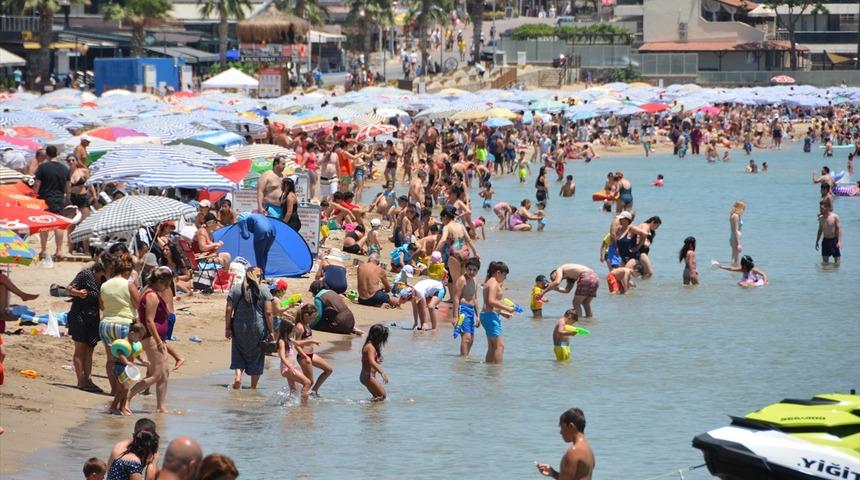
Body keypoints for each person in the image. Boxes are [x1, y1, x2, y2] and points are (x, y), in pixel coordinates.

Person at [127, 269, 174, 413]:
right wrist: (159, 341)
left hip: (153, 337)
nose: (167, 288)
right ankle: (127, 397)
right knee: (156, 375)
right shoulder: (152, 295)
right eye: (166, 284)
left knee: (164, 373)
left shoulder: (147, 291)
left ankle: (161, 406)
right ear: (159, 282)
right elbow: (149, 320)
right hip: (153, 338)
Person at [224, 267, 274, 389]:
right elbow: (268, 313)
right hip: (258, 327)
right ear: (259, 277)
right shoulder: (264, 290)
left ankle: (238, 377)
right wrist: (271, 331)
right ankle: (253, 387)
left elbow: (228, 310)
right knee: (257, 356)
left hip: (239, 326)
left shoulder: (236, 289)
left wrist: (227, 328)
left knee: (238, 352)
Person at [99, 254, 139, 396]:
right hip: (124, 325)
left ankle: (114, 390)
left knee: (111, 360)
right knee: (127, 360)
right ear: (126, 271)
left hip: (106, 324)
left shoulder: (104, 285)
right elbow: (138, 304)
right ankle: (123, 390)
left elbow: (102, 306)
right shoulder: (129, 285)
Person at [66, 260, 106, 392]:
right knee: (80, 349)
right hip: (79, 315)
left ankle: (88, 379)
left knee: (90, 349)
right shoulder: (85, 274)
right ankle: (80, 381)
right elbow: (69, 289)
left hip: (93, 317)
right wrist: (78, 293)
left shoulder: (104, 280)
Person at [536, 408, 596, 480]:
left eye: (562, 427)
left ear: (571, 426)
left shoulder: (574, 452)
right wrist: (553, 473)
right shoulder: (589, 451)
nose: (561, 432)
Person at [33, 145, 70, 260]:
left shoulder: (43, 167)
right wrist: (68, 197)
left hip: (44, 198)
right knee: (59, 224)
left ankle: (44, 250)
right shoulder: (64, 168)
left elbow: (37, 183)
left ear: (47, 155)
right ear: (56, 154)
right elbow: (68, 185)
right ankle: (59, 250)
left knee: (44, 223)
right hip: (59, 198)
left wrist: (34, 195)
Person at [292, 303, 333, 396]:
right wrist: (305, 356)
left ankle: (314, 391)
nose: (314, 319)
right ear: (306, 315)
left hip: (311, 355)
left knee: (328, 370)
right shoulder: (300, 327)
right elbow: (296, 345)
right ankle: (302, 399)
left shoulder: (306, 324)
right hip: (303, 356)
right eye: (313, 317)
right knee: (309, 381)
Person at [480, 261, 515, 364]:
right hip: (490, 316)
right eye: (504, 275)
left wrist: (502, 312)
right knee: (500, 346)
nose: (505, 278)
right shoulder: (494, 283)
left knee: (492, 346)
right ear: (498, 272)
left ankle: (489, 369)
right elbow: (491, 301)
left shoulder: (490, 282)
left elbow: (489, 303)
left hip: (487, 315)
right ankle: (498, 370)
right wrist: (508, 308)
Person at [110, 323, 147, 415]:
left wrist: (142, 360)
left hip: (127, 369)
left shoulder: (133, 344)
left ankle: (122, 407)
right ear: (132, 333)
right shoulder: (124, 342)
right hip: (119, 367)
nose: (140, 339)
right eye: (139, 337)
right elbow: (120, 353)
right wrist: (126, 361)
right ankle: (113, 407)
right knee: (124, 389)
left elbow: (136, 354)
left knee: (125, 389)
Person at [276, 319, 312, 398]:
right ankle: (304, 404)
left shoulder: (289, 339)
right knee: (307, 383)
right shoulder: (282, 342)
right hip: (287, 368)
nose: (294, 334)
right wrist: (290, 367)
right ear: (286, 331)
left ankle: (289, 404)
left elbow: (298, 343)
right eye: (292, 332)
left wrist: (312, 341)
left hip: (289, 368)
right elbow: (282, 357)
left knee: (293, 390)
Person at [452, 257, 481, 356]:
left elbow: (475, 299)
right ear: (465, 268)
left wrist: (478, 316)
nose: (472, 272)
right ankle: (463, 360)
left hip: (471, 311)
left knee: (471, 339)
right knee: (466, 337)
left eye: (474, 270)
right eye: (469, 269)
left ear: (478, 270)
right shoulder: (462, 280)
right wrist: (455, 316)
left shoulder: (475, 280)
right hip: (463, 310)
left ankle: (464, 358)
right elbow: (456, 298)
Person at [360, 324, 389, 401]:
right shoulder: (370, 347)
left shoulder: (369, 345)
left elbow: (368, 360)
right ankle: (366, 405)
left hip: (365, 376)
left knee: (377, 397)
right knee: (383, 396)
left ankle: (370, 408)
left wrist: (377, 360)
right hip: (368, 376)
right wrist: (382, 372)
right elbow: (371, 362)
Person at [816, 200, 841, 265]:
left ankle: (836, 272)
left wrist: (839, 241)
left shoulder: (835, 217)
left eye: (822, 208)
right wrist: (817, 241)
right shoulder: (821, 218)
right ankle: (827, 272)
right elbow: (820, 230)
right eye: (820, 208)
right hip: (825, 241)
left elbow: (838, 229)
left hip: (834, 241)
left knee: (837, 263)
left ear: (827, 208)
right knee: (825, 264)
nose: (820, 210)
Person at [729, 200, 745, 266]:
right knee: (735, 257)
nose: (744, 209)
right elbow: (736, 230)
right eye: (743, 208)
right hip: (735, 237)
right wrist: (739, 244)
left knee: (735, 256)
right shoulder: (735, 216)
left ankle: (734, 269)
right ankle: (734, 269)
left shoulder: (734, 215)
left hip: (735, 236)